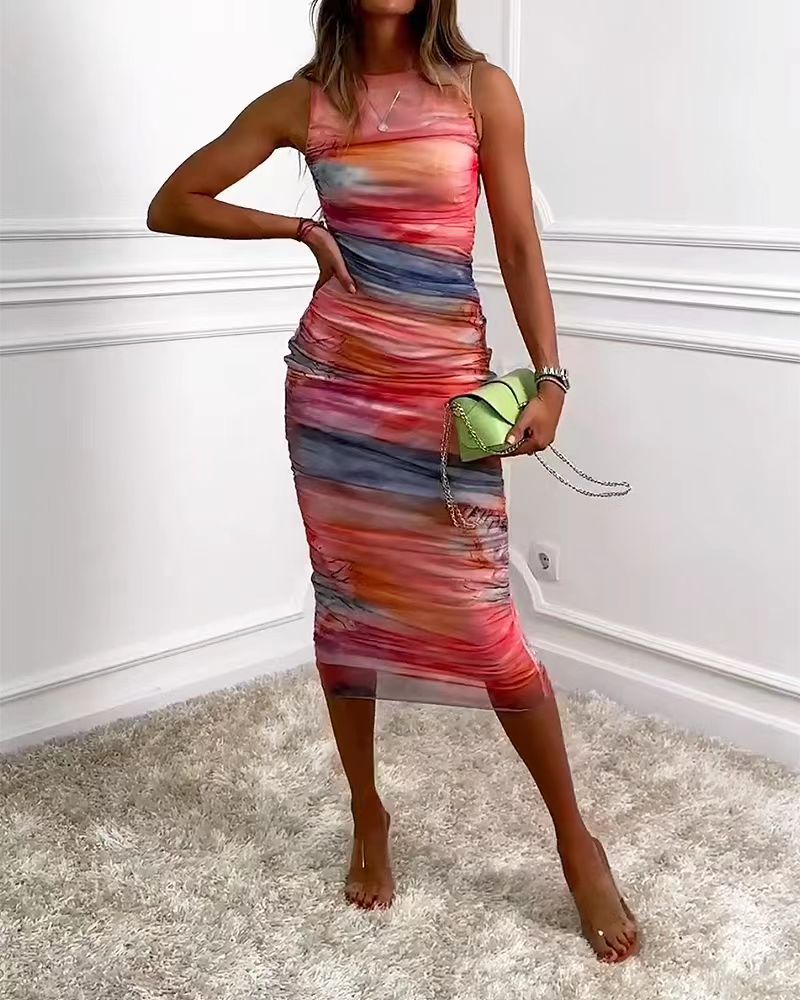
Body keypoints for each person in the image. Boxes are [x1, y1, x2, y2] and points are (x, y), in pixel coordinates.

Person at [147, 0, 640, 964]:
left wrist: (550, 376)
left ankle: (576, 844)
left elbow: (517, 245)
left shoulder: (481, 91)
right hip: (334, 394)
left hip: (443, 398)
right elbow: (173, 202)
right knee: (348, 607)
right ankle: (368, 812)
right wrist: (299, 228)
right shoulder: (303, 102)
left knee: (489, 629)